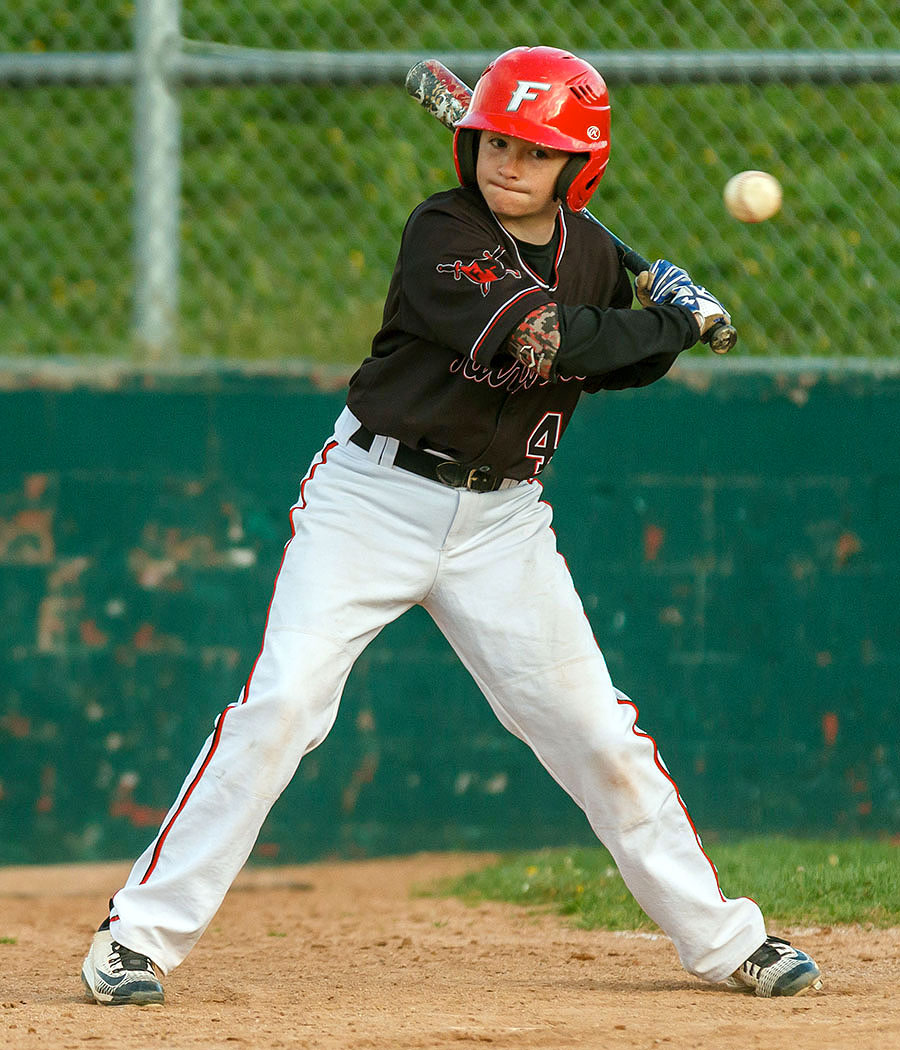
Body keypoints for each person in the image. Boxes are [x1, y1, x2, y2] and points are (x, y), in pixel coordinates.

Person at [81, 45, 821, 1005]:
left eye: (535, 151)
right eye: (493, 143)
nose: (507, 165)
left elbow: (613, 362)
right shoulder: (442, 228)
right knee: (284, 708)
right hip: (373, 503)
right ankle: (134, 939)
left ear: (577, 166)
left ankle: (727, 942)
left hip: (503, 525)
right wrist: (677, 323)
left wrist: (661, 328)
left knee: (598, 734)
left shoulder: (591, 255)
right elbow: (545, 341)